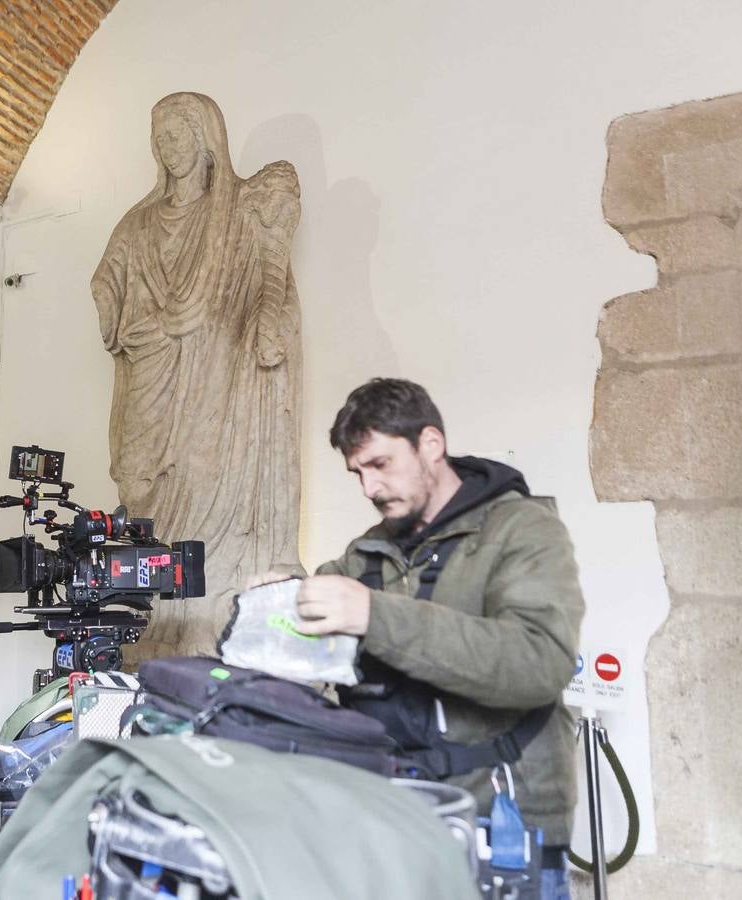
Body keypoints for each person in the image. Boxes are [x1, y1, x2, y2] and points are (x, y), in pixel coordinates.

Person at [250, 378, 583, 899]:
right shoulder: (366, 552)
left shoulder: (523, 530)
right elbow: (313, 649)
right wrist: (276, 607)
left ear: (431, 445)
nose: (369, 489)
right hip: (392, 812)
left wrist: (372, 615)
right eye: (357, 473)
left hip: (498, 819)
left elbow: (538, 663)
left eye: (380, 465)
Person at [91, 91, 304, 656]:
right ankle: (156, 619)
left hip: (217, 381)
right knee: (139, 481)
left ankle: (209, 615)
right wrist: (115, 302)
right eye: (160, 135)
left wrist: (266, 320)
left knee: (209, 479)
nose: (168, 144)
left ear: (206, 140)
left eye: (179, 132)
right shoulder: (137, 224)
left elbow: (269, 286)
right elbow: (107, 278)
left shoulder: (235, 212)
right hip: (153, 370)